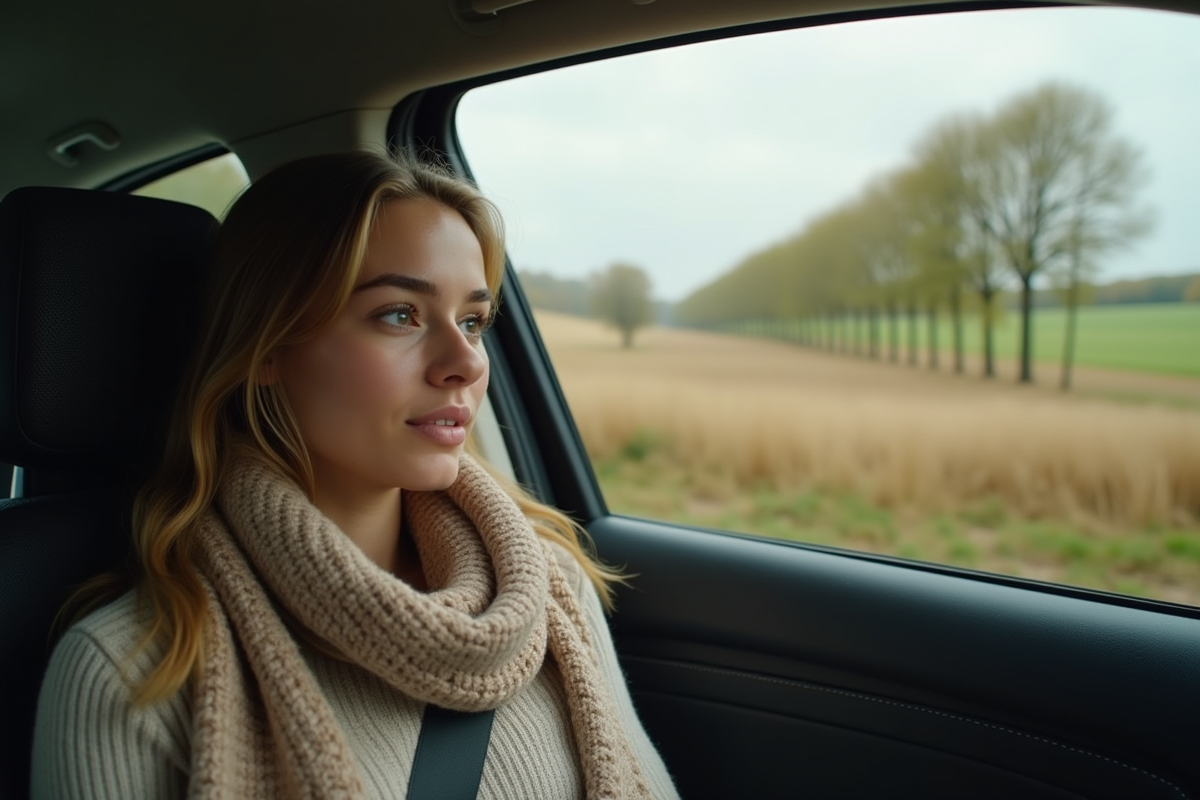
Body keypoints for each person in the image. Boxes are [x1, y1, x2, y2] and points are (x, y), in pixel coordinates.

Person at [30, 151, 680, 800]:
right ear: (266, 349)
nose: (465, 363)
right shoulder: (135, 669)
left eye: (473, 322)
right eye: (400, 314)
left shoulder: (549, 587)